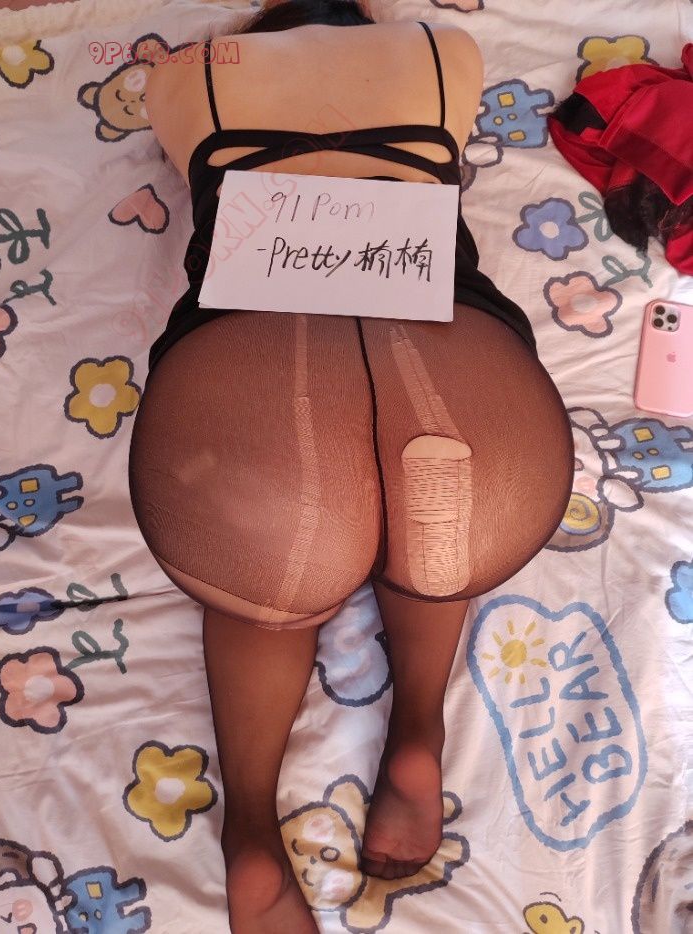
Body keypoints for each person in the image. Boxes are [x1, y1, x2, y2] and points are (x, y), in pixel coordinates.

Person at [127, 1, 575, 930]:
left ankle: (252, 829)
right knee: (438, 524)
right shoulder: (446, 49)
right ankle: (416, 732)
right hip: (458, 359)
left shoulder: (187, 70)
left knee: (270, 580)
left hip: (249, 352)